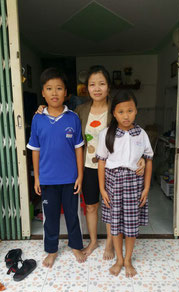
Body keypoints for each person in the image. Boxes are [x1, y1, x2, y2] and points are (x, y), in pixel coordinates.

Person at [75, 65, 145, 258]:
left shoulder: (116, 109)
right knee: (91, 205)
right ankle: (93, 242)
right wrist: (42, 109)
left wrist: (142, 158)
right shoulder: (80, 110)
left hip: (112, 169)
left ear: (108, 87)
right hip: (89, 166)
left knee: (110, 207)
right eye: (92, 84)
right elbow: (65, 123)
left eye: (102, 84)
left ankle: (109, 245)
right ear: (87, 88)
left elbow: (133, 133)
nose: (97, 88)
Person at [27, 67, 86, 268]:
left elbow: (79, 149)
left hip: (70, 179)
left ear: (66, 92)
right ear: (43, 92)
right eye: (49, 88)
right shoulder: (38, 118)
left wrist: (80, 175)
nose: (54, 93)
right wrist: (36, 178)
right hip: (48, 179)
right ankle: (51, 250)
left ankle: (76, 245)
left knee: (73, 215)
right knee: (50, 218)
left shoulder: (73, 118)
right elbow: (35, 149)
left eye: (59, 88)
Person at [96, 89, 153, 277]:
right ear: (114, 113)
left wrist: (146, 187)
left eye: (130, 111)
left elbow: (148, 159)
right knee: (116, 225)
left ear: (136, 111)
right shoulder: (106, 134)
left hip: (134, 185)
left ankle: (128, 259)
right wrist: (102, 189)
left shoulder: (141, 134)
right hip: (113, 185)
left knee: (130, 226)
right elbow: (102, 162)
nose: (126, 115)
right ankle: (119, 259)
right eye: (121, 112)